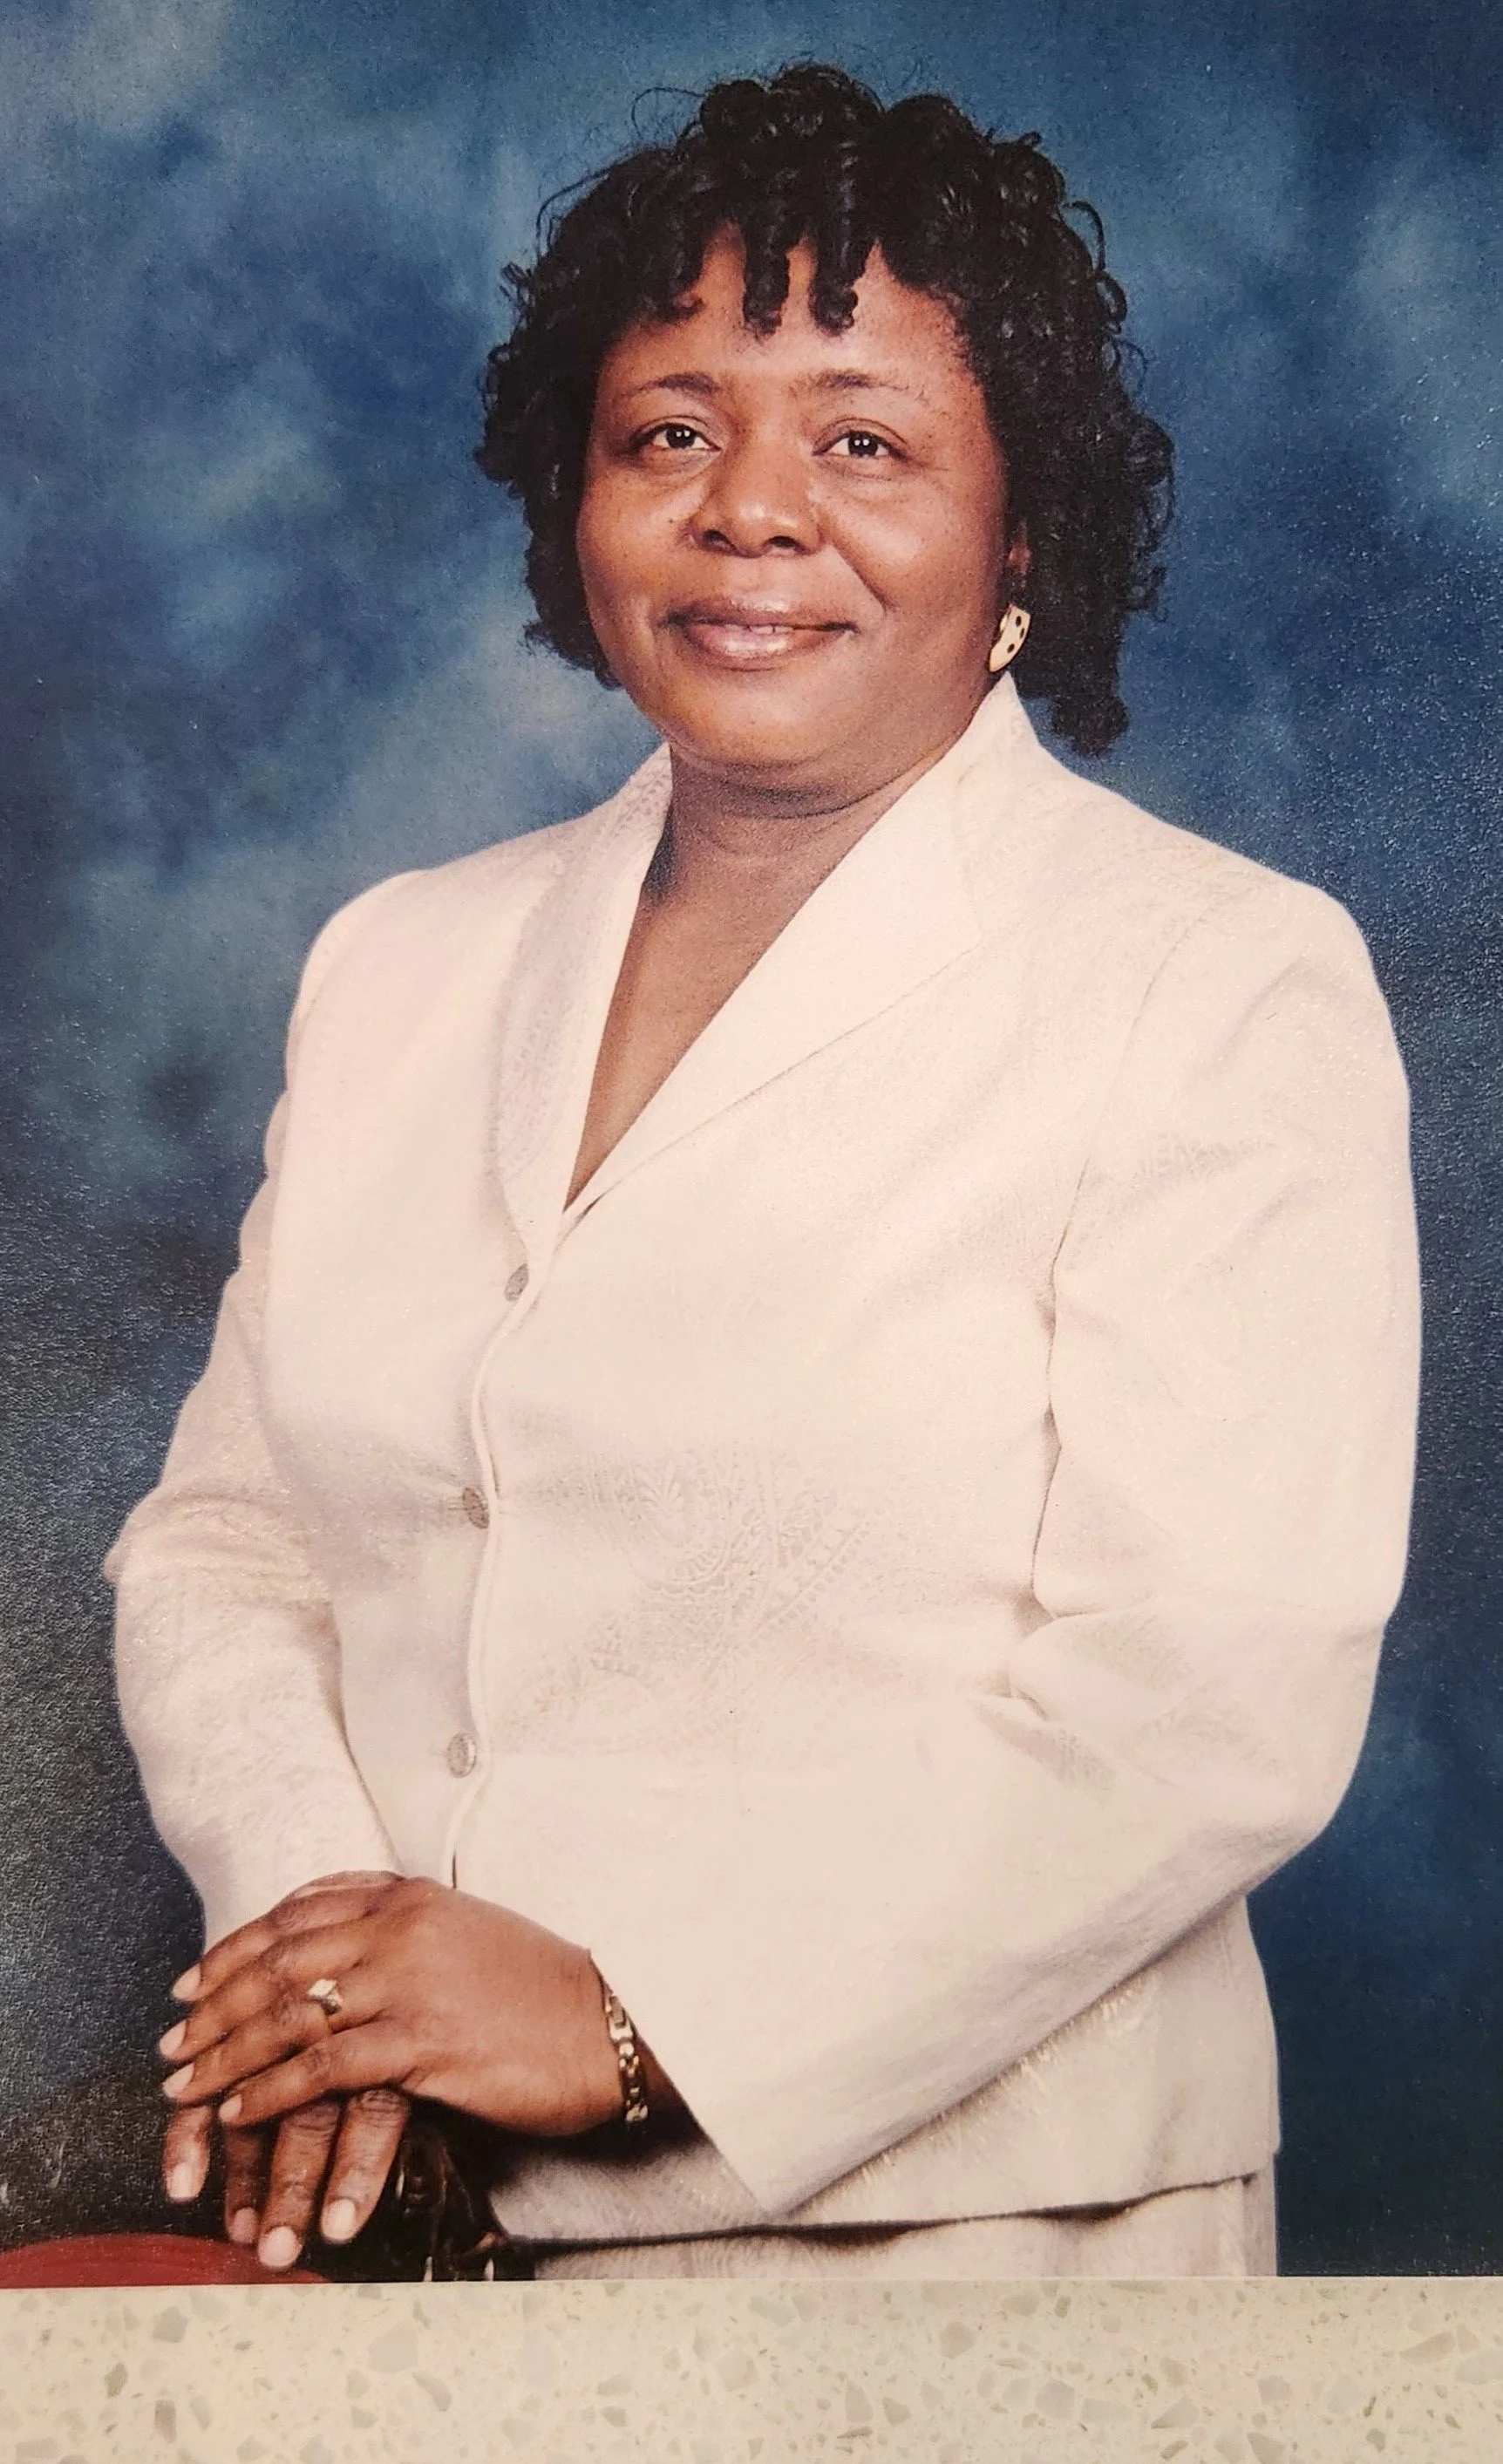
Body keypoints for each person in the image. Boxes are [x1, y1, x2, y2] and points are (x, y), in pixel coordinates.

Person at [104, 63, 1420, 2280]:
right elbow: (231, 1542)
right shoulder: (399, 963)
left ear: (1022, 528)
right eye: (669, 434)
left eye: (865, 443)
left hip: (973, 2251)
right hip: (389, 2221)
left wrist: (631, 2018)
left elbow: (1206, 1693)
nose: (752, 514)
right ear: (579, 495)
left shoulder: (1208, 980)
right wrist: (328, 1966)